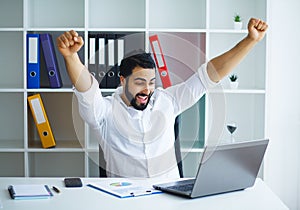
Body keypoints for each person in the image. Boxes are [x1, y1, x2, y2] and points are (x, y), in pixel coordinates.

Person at [56, 18, 268, 178]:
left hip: (171, 201)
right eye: (139, 82)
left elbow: (209, 75)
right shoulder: (104, 111)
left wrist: (250, 40)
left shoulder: (168, 100)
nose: (147, 90)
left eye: (151, 82)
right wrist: (70, 56)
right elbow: (86, 89)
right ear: (123, 80)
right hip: (125, 202)